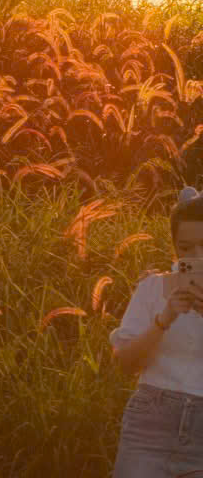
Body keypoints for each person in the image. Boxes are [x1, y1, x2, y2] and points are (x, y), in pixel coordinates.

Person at [111, 187, 203, 476]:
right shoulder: (151, 288)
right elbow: (126, 364)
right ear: (175, 248)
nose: (197, 255)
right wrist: (165, 318)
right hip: (150, 427)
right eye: (186, 248)